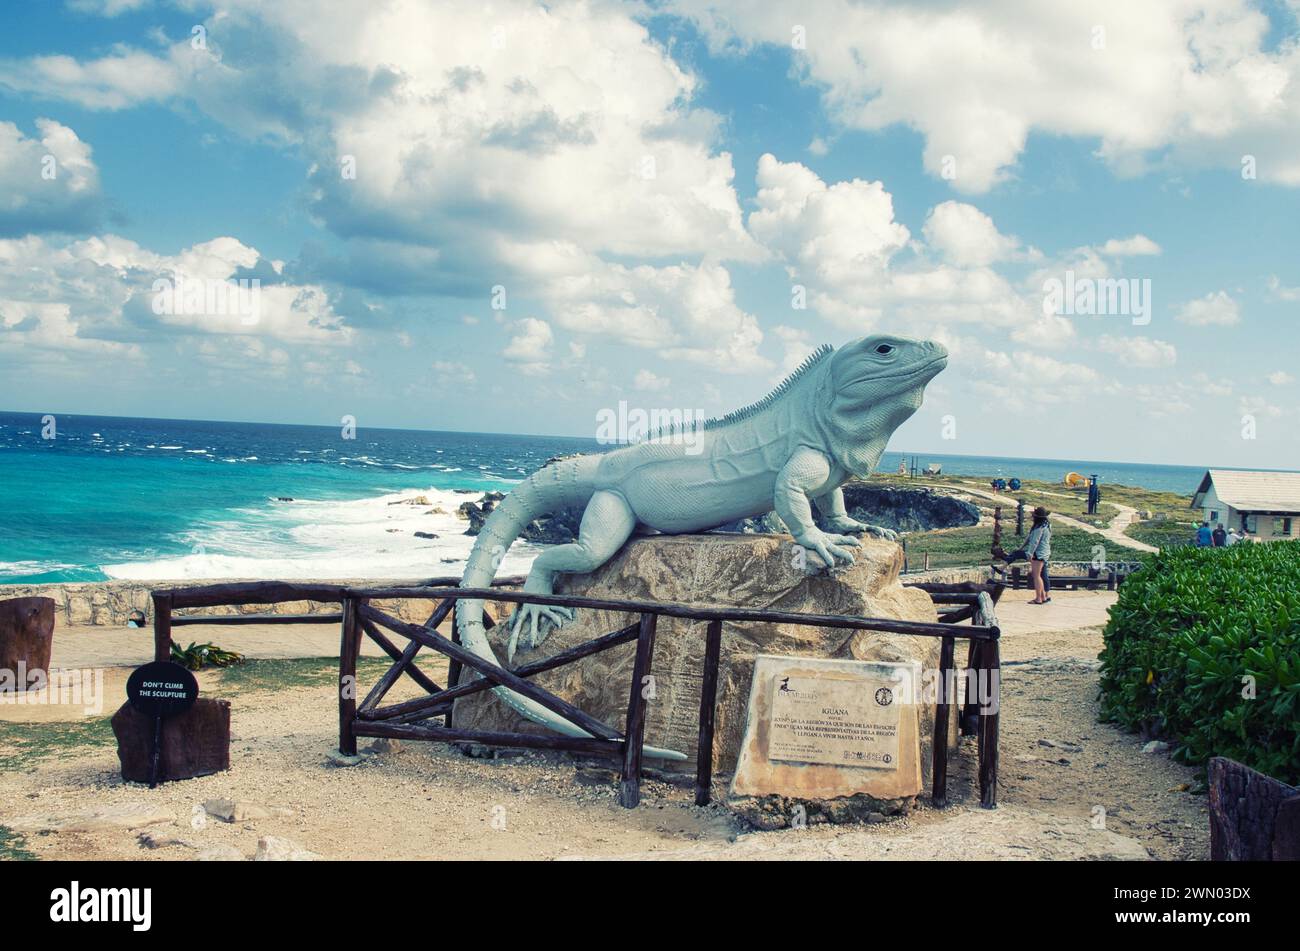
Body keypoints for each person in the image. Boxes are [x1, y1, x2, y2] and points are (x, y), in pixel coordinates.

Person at [1020, 506, 1052, 605]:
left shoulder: (1039, 528)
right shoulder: (1047, 525)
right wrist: (1021, 547)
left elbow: (1035, 542)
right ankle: (1042, 596)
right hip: (1045, 552)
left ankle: (1038, 598)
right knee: (1040, 575)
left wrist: (1030, 553)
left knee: (1036, 576)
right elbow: (1030, 538)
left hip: (1039, 553)